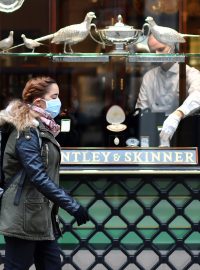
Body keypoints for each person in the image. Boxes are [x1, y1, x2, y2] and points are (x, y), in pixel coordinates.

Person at [0, 76, 89, 270]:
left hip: (41, 217)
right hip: (23, 217)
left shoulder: (43, 129)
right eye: (55, 96)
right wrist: (72, 205)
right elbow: (37, 176)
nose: (59, 101)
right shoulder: (28, 131)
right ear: (39, 101)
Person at [135, 34, 200, 146]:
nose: (157, 55)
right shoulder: (149, 77)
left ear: (173, 46)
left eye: (161, 49)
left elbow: (198, 95)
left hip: (184, 137)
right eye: (153, 51)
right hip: (154, 138)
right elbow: (141, 110)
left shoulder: (190, 73)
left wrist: (177, 115)